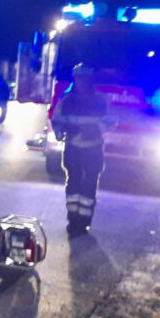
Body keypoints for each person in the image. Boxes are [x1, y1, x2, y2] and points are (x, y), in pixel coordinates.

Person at [51, 63, 115, 231]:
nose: (81, 83)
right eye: (78, 79)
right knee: (73, 182)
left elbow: (110, 120)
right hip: (73, 147)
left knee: (90, 184)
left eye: (84, 79)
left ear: (90, 80)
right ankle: (73, 218)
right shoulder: (67, 99)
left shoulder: (100, 100)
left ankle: (84, 220)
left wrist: (94, 131)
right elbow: (57, 119)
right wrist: (59, 131)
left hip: (93, 148)